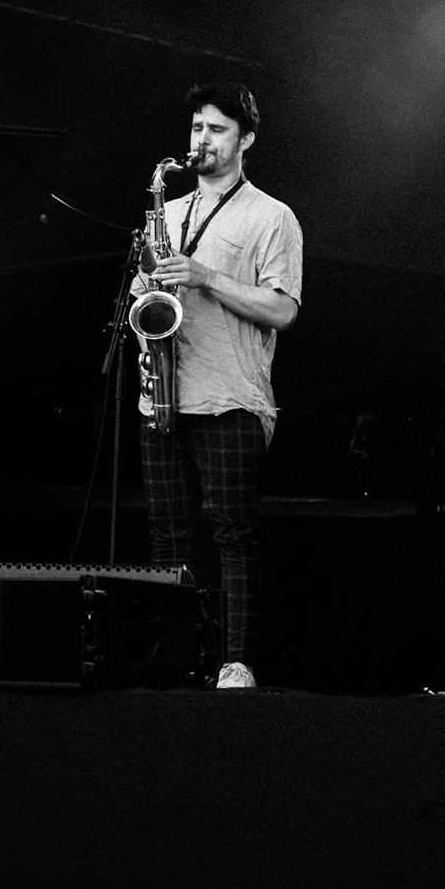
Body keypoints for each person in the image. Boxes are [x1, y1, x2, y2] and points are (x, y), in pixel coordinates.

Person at [136, 81, 303, 689]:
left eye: (217, 130)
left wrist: (204, 277)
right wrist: (145, 295)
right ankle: (170, 652)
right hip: (164, 395)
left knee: (234, 533)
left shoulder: (272, 216)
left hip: (231, 397)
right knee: (167, 533)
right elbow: (151, 298)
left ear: (246, 140)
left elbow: (283, 310)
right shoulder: (168, 213)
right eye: (196, 129)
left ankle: (237, 660)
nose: (201, 141)